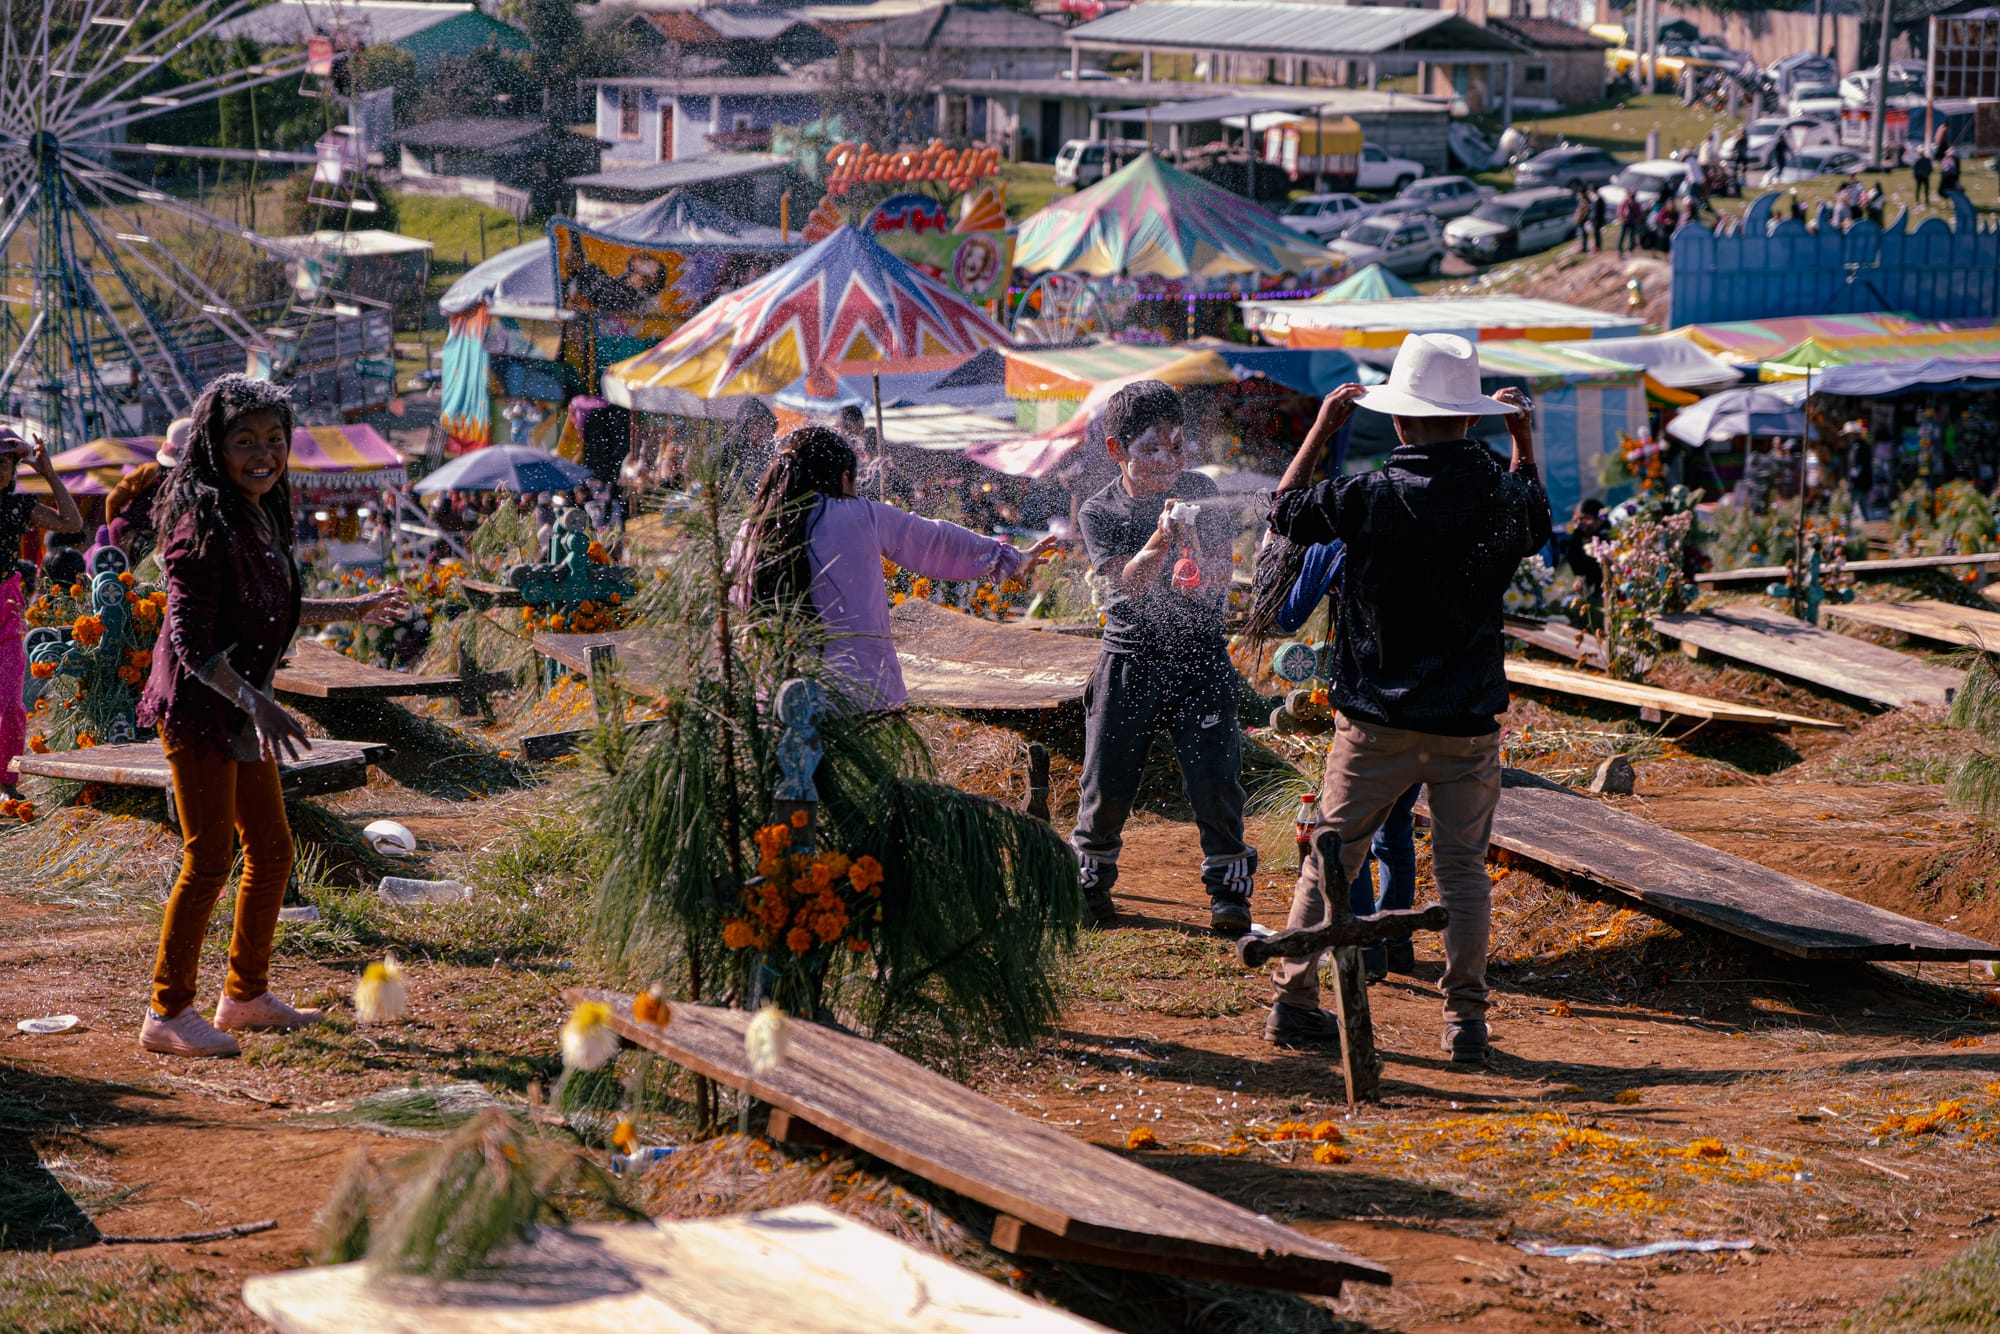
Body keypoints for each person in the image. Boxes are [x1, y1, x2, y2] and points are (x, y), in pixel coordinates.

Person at [1262, 334, 1550, 1062]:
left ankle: (1294, 1002)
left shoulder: (1368, 497)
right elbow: (1538, 524)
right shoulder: (1499, 493)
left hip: (1374, 722)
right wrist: (1522, 438)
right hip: (1466, 725)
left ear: (1398, 422)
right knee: (1462, 871)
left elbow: (1286, 513)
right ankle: (1465, 1024)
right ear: (1472, 419)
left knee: (1330, 860)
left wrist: (1323, 426)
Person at [137, 375, 409, 1059]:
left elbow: (267, 606)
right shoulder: (201, 521)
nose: (263, 453)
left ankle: (245, 996)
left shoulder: (262, 510)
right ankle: (167, 1012)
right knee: (209, 858)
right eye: (245, 441)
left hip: (245, 710)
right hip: (203, 711)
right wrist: (258, 701)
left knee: (274, 850)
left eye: (274, 440)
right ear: (214, 448)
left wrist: (350, 610)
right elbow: (192, 640)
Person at [1068, 381, 1258, 935]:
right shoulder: (1100, 510)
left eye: (1176, 446)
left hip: (1198, 659)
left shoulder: (1200, 491)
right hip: (1129, 660)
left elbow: (1221, 578)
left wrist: (1197, 554)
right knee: (1107, 782)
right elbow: (1122, 587)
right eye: (1151, 449)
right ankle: (1090, 884)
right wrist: (1159, 540)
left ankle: (1228, 893)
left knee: (1216, 778)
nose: (1167, 461)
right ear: (1115, 451)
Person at [734, 427, 1062, 712]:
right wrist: (1007, 557)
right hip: (860, 699)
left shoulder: (753, 529)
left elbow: (735, 597)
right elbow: (937, 541)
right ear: (844, 477)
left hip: (777, 700)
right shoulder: (861, 515)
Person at [0, 428, 83, 799]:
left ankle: (6, 783)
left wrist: (48, 472)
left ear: (14, 468)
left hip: (8, 605)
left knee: (11, 706)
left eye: (2, 464)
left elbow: (71, 523)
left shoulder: (18, 506)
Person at [107, 418, 185, 563]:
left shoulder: (148, 471)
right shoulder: (150, 472)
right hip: (139, 540)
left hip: (132, 540)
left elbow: (113, 500)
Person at [1566, 496, 1610, 596]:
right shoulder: (1585, 536)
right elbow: (1576, 567)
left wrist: (1577, 534)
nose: (1581, 524)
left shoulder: (1606, 537)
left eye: (1585, 519)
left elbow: (1582, 566)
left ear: (1599, 519)